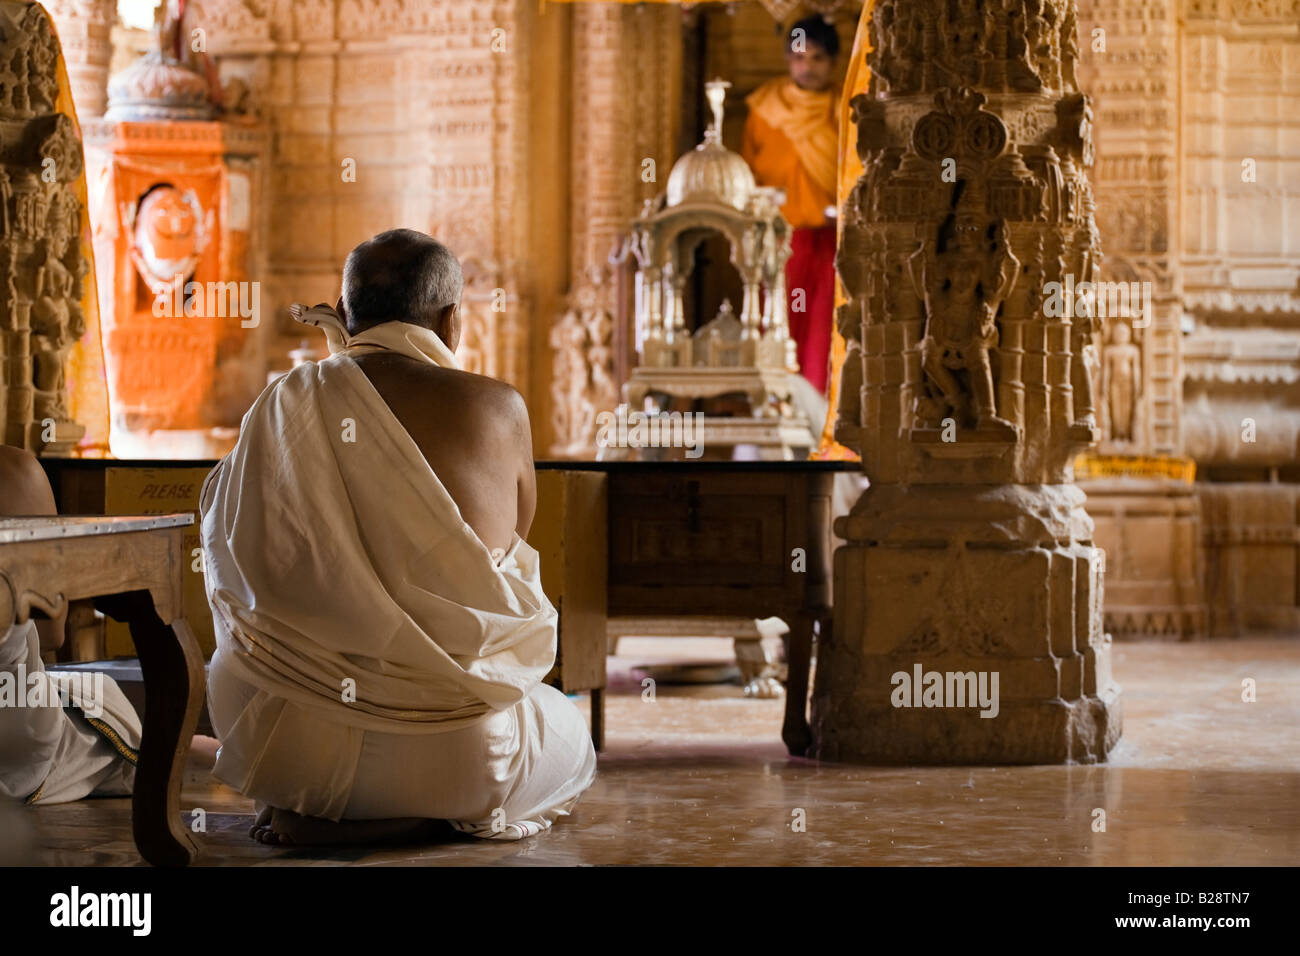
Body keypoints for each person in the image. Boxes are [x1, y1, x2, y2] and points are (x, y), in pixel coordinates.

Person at [200, 229, 597, 845]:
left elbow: (228, 548)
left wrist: (339, 362)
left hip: (280, 743)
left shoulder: (284, 403)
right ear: (451, 319)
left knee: (242, 664)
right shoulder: (497, 408)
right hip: (456, 756)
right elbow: (507, 546)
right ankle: (413, 816)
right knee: (571, 739)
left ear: (345, 309)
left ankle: (317, 805)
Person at [0, 447, 142, 806]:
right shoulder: (15, 473)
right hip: (11, 736)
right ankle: (165, 750)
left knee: (82, 692)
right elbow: (52, 636)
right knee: (98, 699)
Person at [742, 15, 842, 394]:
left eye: (817, 58)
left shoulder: (846, 110)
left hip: (833, 241)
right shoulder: (764, 110)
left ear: (832, 62)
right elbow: (746, 179)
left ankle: (819, 419)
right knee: (779, 324)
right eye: (799, 58)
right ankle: (774, 407)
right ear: (787, 60)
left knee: (824, 329)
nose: (807, 67)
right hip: (780, 242)